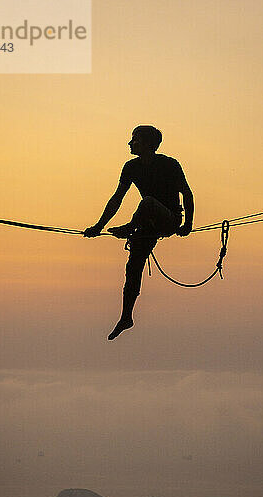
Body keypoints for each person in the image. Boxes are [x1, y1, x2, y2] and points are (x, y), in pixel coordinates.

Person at [83, 125, 194, 340]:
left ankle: (128, 228)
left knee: (148, 202)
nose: (130, 143)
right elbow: (117, 199)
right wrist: (98, 226)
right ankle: (126, 317)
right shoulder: (131, 167)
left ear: (148, 144)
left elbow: (187, 194)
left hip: (168, 218)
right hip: (146, 225)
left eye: (135, 140)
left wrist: (187, 225)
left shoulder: (169, 164)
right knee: (133, 267)